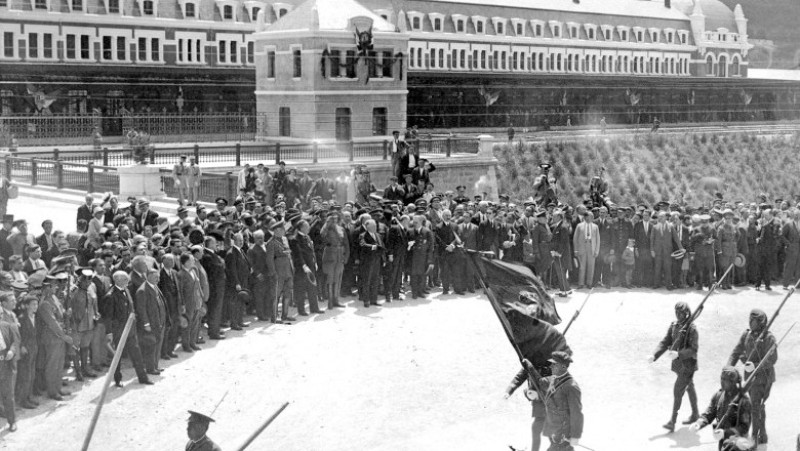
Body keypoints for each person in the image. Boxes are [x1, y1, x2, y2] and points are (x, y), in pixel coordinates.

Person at [727, 309, 777, 448]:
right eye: (749, 319)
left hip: (764, 378)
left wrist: (754, 366)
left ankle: (754, 437)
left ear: (761, 323)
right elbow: (736, 351)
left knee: (755, 406)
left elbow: (772, 359)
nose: (750, 322)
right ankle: (763, 433)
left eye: (753, 321)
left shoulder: (769, 338)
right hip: (750, 377)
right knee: (757, 406)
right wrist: (729, 367)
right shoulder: (747, 334)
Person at [649, 301, 699, 432]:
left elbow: (693, 350)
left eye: (681, 313)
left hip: (688, 365)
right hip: (679, 365)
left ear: (686, 313)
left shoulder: (691, 328)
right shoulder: (674, 326)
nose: (678, 315)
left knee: (678, 390)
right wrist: (654, 355)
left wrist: (678, 354)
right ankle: (695, 414)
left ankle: (673, 421)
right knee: (689, 386)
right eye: (676, 312)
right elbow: (666, 341)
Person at [105, 271, 152, 386]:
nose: (128, 282)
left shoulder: (126, 290)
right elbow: (108, 316)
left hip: (130, 329)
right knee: (117, 357)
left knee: (137, 354)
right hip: (118, 331)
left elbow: (131, 307)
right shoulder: (110, 295)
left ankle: (143, 377)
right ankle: (117, 379)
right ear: (118, 280)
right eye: (126, 280)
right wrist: (109, 333)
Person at [690, 366, 752, 451]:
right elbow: (710, 412)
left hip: (738, 443)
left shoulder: (743, 401)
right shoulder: (718, 395)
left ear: (732, 382)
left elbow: (744, 427)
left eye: (725, 380)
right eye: (721, 378)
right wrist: (699, 423)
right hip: (723, 442)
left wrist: (725, 433)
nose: (722, 382)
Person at [538, 351, 583, 451]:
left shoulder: (571, 386)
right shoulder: (554, 379)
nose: (551, 367)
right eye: (551, 364)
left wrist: (575, 436)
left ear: (563, 367)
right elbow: (540, 381)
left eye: (554, 364)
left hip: (563, 433)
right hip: (554, 429)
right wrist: (529, 366)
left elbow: (576, 413)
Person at [265, 221, 295, 323]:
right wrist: (273, 273)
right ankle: (274, 317)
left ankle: (284, 315)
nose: (284, 231)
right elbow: (269, 260)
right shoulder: (271, 243)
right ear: (276, 231)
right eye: (281, 229)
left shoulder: (285, 239)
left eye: (283, 229)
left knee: (287, 294)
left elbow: (289, 254)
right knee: (276, 295)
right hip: (278, 272)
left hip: (288, 271)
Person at [572, 211, 599, 289]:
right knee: (582, 267)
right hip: (582, 248)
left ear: (592, 218)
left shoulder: (595, 226)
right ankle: (581, 283)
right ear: (584, 217)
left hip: (591, 247)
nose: (588, 218)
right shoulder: (579, 226)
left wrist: (596, 251)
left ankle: (589, 283)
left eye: (590, 217)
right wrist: (576, 250)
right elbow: (575, 238)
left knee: (591, 266)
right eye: (586, 217)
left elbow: (598, 240)